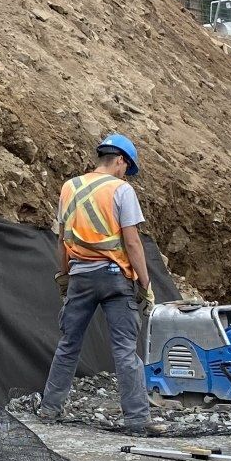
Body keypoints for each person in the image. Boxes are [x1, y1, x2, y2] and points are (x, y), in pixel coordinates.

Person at [36, 133, 159, 434]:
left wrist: (64, 276)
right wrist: (145, 283)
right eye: (125, 169)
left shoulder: (70, 187)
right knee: (125, 351)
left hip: (80, 276)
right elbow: (132, 242)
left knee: (68, 345)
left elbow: (63, 239)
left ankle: (49, 409)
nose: (124, 174)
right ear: (120, 161)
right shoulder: (121, 190)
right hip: (116, 278)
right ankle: (137, 420)